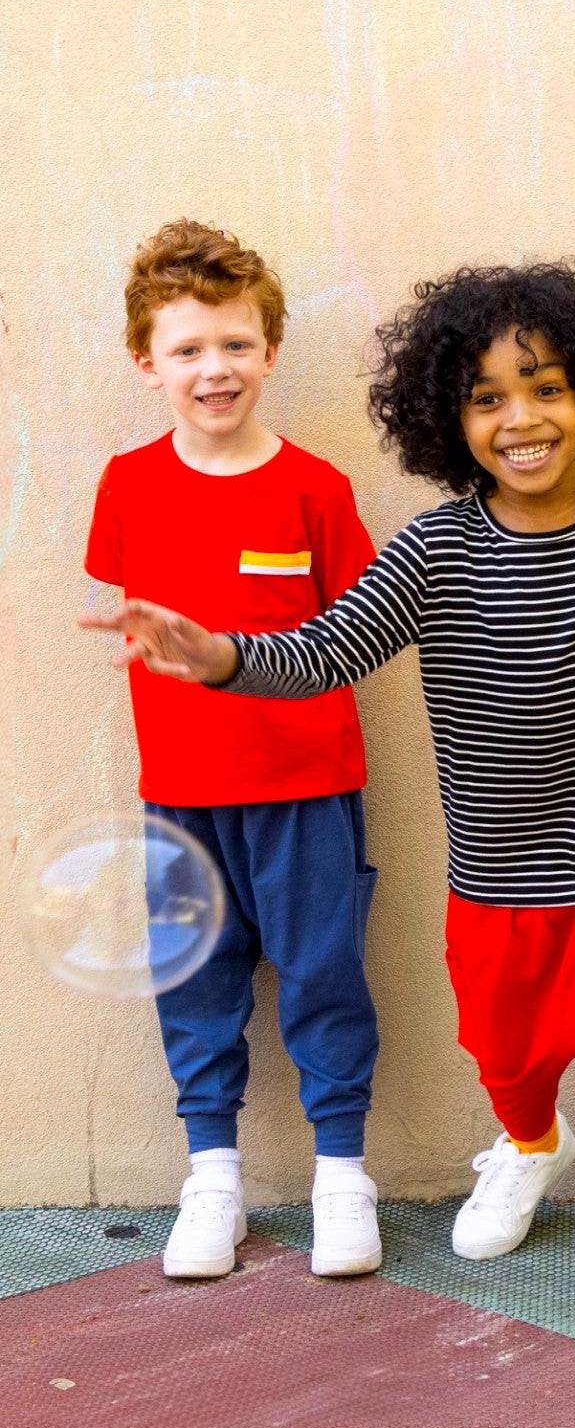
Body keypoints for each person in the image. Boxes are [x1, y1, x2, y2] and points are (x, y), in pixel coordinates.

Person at [83, 258, 575, 1341]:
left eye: (547, 386)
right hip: (499, 884)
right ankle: (528, 1141)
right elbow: (324, 651)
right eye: (487, 396)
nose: (523, 418)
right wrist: (224, 657)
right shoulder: (435, 551)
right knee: (508, 1061)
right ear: (446, 420)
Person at [84, 219, 383, 1280]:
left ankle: (343, 1176)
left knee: (324, 976)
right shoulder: (126, 488)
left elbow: (354, 635)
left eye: (236, 345)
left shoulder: (314, 490)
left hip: (308, 790)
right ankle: (212, 1177)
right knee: (198, 986)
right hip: (182, 796)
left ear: (270, 349)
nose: (215, 370)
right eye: (188, 349)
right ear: (147, 363)